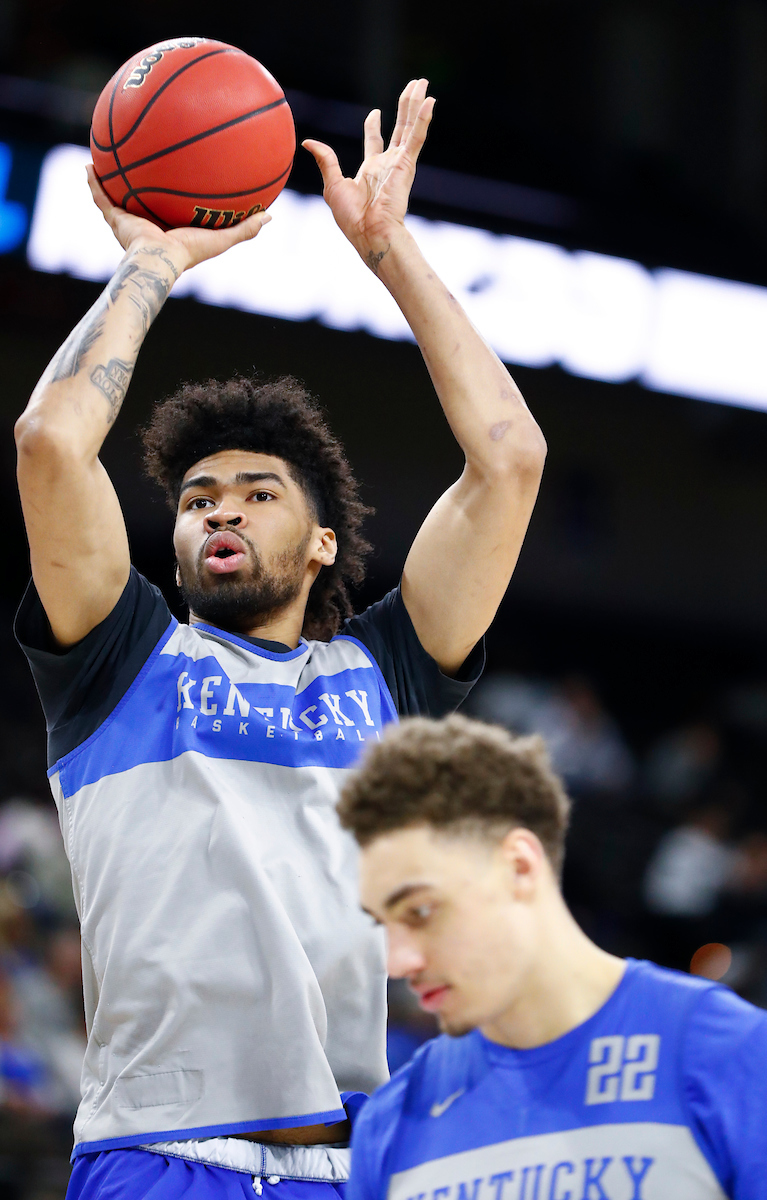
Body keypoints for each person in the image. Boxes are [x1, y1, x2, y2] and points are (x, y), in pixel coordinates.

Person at [13, 80, 545, 1198]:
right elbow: (52, 443)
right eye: (199, 496)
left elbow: (508, 461)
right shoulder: (119, 661)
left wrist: (389, 252)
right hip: (158, 1158)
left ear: (318, 545)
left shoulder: (386, 675)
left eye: (257, 494)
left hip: (344, 1169)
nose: (218, 509)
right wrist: (152, 260)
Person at [338, 714, 767, 1200]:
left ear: (519, 866)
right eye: (379, 922)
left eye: (421, 911)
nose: (397, 962)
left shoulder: (736, 1056)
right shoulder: (390, 1124)